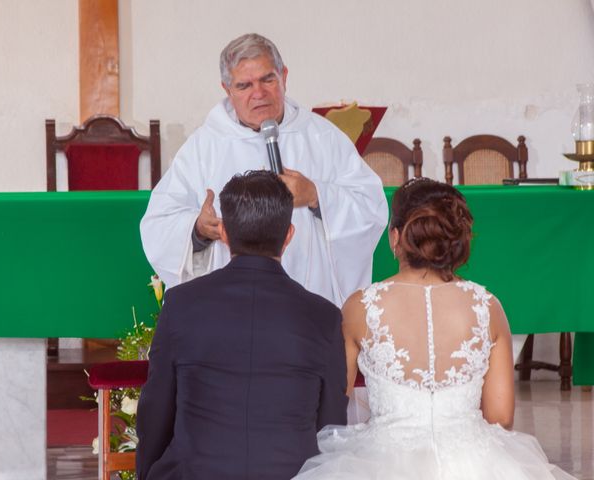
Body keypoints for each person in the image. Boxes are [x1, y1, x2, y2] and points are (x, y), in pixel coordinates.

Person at [293, 178, 576, 480]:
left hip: (382, 460)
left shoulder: (361, 307)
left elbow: (336, 399)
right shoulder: (487, 307)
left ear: (395, 237)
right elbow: (500, 416)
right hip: (475, 462)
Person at [140, 33, 387, 307]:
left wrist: (317, 195)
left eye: (268, 79)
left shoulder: (322, 137)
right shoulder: (204, 146)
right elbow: (158, 224)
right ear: (227, 89)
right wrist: (197, 229)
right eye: (244, 85)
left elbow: (371, 208)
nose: (258, 93)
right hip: (233, 306)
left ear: (284, 76)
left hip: (309, 303)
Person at [136, 171, 349, 480]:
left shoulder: (181, 304)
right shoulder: (324, 316)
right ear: (289, 235)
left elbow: (156, 411)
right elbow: (330, 424)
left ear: (223, 233)